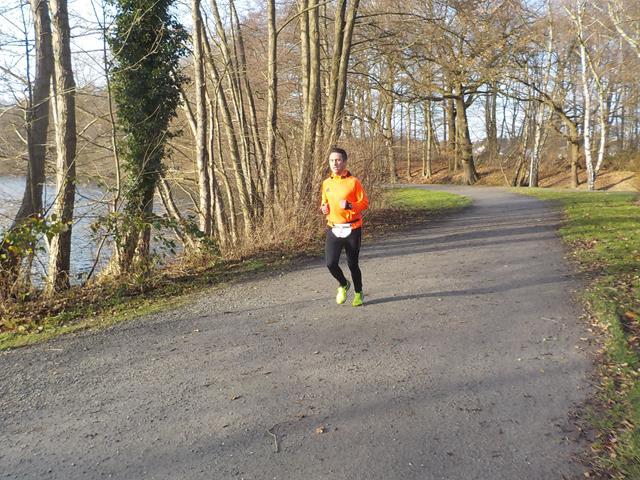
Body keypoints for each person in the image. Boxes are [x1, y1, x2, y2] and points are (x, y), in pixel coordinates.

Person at [320, 146, 369, 306]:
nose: (334, 163)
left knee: (352, 264)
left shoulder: (353, 182)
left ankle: (358, 293)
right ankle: (343, 283)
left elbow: (364, 203)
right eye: (331, 160)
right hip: (333, 227)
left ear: (345, 162)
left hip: (352, 228)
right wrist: (323, 208)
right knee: (330, 263)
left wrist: (350, 205)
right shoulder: (326, 183)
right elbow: (324, 202)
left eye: (338, 160)